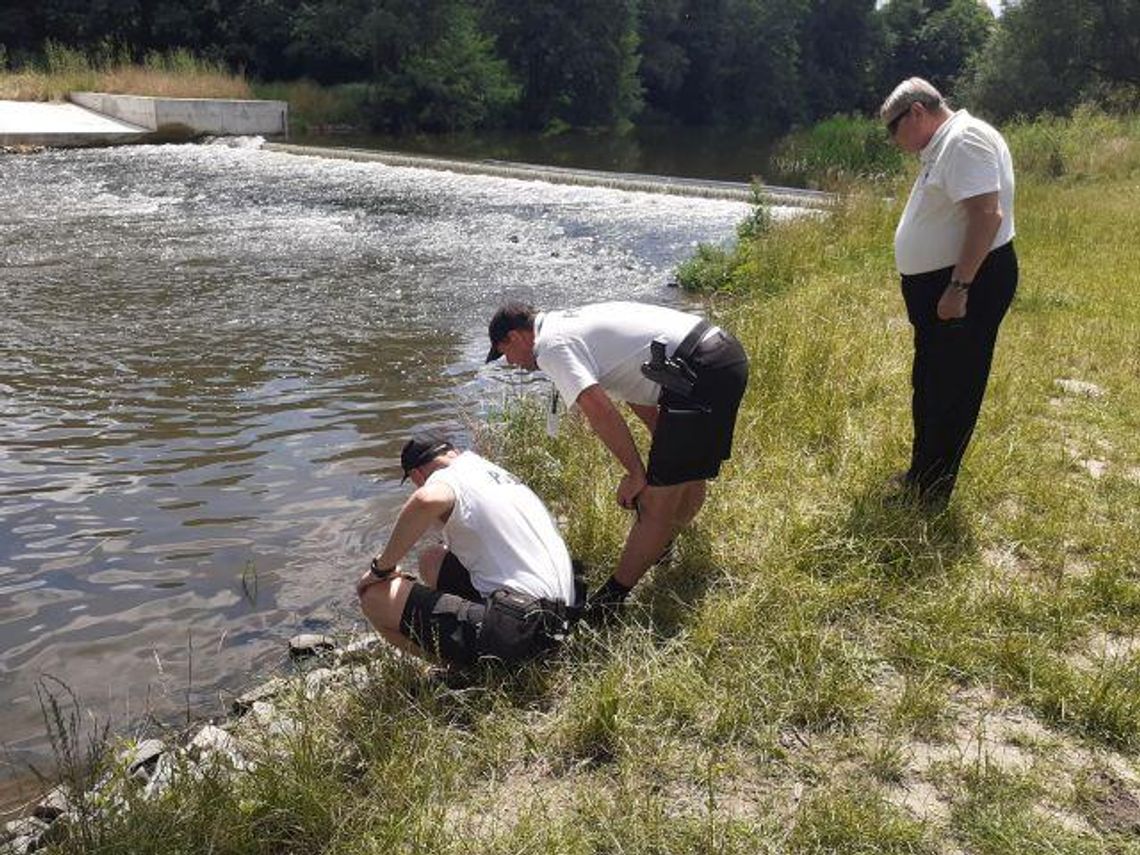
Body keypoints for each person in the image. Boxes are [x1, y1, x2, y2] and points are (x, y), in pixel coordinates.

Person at [485, 300, 748, 615]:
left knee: (654, 504)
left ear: (515, 337)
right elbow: (635, 387)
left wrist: (637, 474)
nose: (511, 363)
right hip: (720, 356)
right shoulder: (567, 324)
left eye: (505, 353)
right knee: (686, 476)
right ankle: (659, 545)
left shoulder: (550, 346)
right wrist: (662, 450)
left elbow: (599, 410)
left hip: (699, 371)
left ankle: (609, 604)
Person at [880, 77, 1018, 508]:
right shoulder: (945, 144)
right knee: (931, 381)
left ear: (917, 112)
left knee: (952, 387)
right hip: (945, 285)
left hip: (965, 284)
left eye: (893, 129)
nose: (895, 141)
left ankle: (931, 492)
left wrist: (959, 287)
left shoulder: (965, 139)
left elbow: (986, 215)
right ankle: (922, 475)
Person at [356, 433, 579, 666]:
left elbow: (426, 501)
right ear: (452, 452)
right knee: (432, 560)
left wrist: (381, 569)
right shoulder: (485, 469)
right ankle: (474, 645)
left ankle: (461, 672)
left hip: (523, 632)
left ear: (417, 476)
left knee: (374, 597)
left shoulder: (444, 478)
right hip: (561, 617)